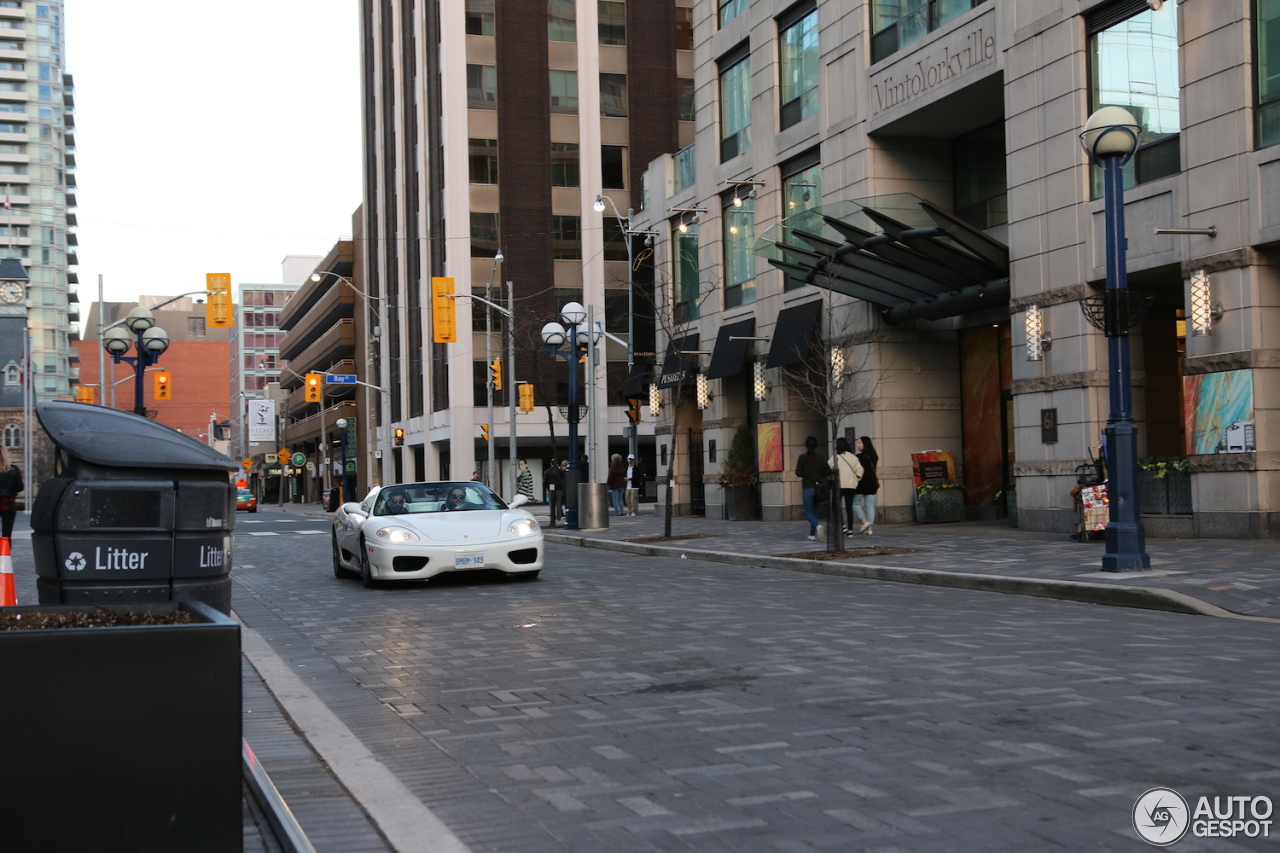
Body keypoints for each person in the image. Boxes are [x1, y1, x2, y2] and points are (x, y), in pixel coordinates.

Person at [795, 436, 831, 541]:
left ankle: (817, 526)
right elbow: (827, 471)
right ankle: (812, 534)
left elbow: (798, 473)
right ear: (816, 445)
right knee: (814, 511)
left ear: (806, 445)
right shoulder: (821, 457)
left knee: (808, 512)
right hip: (818, 488)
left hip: (807, 488)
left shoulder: (802, 458)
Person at [829, 437, 864, 535]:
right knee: (849, 508)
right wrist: (855, 480)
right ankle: (850, 531)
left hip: (839, 485)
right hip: (851, 486)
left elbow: (828, 468)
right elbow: (859, 471)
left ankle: (842, 525)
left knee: (835, 506)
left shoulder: (834, 458)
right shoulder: (853, 457)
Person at [853, 436, 880, 535]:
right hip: (872, 484)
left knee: (854, 503)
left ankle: (864, 522)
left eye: (859, 443)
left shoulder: (858, 457)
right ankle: (869, 529)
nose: (857, 445)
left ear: (865, 444)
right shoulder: (874, 456)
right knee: (870, 506)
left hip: (861, 484)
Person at [0, 445, 22, 540]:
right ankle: (5, 554)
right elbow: (20, 487)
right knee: (7, 535)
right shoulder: (14, 469)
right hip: (8, 503)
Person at [544, 459, 564, 525]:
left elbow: (545, 481)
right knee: (559, 503)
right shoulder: (561, 471)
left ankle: (553, 516)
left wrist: (546, 488)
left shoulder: (547, 471)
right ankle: (559, 516)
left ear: (551, 464)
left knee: (552, 504)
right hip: (559, 488)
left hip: (551, 488)